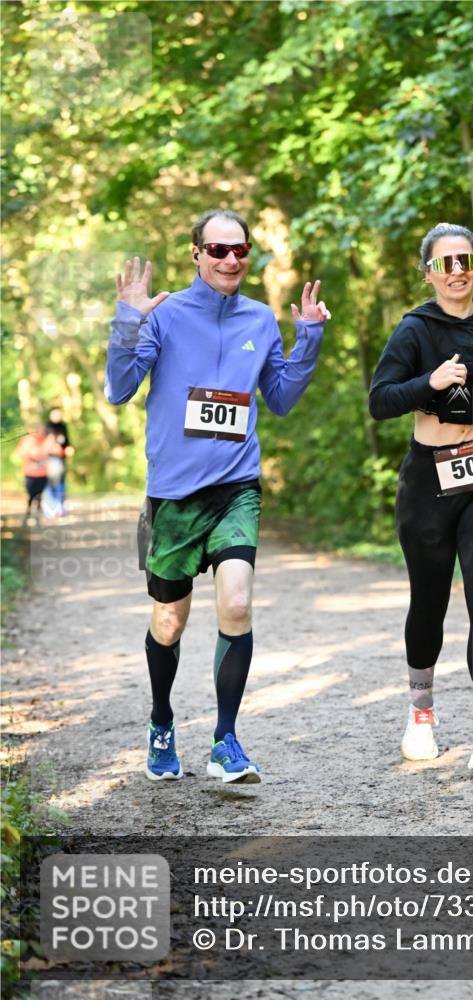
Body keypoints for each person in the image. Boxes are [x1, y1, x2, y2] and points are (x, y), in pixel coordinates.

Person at [105, 208, 330, 783]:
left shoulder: (261, 316)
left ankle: (226, 740)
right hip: (174, 496)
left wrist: (309, 337)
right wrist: (127, 320)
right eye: (219, 250)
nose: (232, 259)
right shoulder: (166, 315)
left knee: (235, 605)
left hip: (236, 488)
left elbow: (278, 397)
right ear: (197, 254)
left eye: (241, 250)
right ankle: (161, 722)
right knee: (169, 623)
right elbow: (119, 389)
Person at [369, 223, 473, 771]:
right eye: (445, 263)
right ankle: (421, 716)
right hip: (428, 484)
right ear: (429, 273)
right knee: (430, 603)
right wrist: (430, 383)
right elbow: (380, 401)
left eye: (465, 260)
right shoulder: (414, 330)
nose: (457, 270)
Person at [15, 423, 51, 524]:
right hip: (30, 473)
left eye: (42, 429)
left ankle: (38, 515)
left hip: (43, 473)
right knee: (31, 494)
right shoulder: (28, 440)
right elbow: (19, 453)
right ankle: (28, 512)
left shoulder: (47, 440)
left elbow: (53, 452)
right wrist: (31, 459)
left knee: (40, 494)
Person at [45, 406, 73, 515]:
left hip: (61, 459)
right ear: (50, 415)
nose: (57, 416)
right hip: (50, 459)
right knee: (51, 483)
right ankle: (50, 508)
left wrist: (68, 448)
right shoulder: (47, 427)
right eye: (55, 414)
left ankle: (60, 506)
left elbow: (67, 442)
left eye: (59, 414)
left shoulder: (63, 426)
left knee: (61, 482)